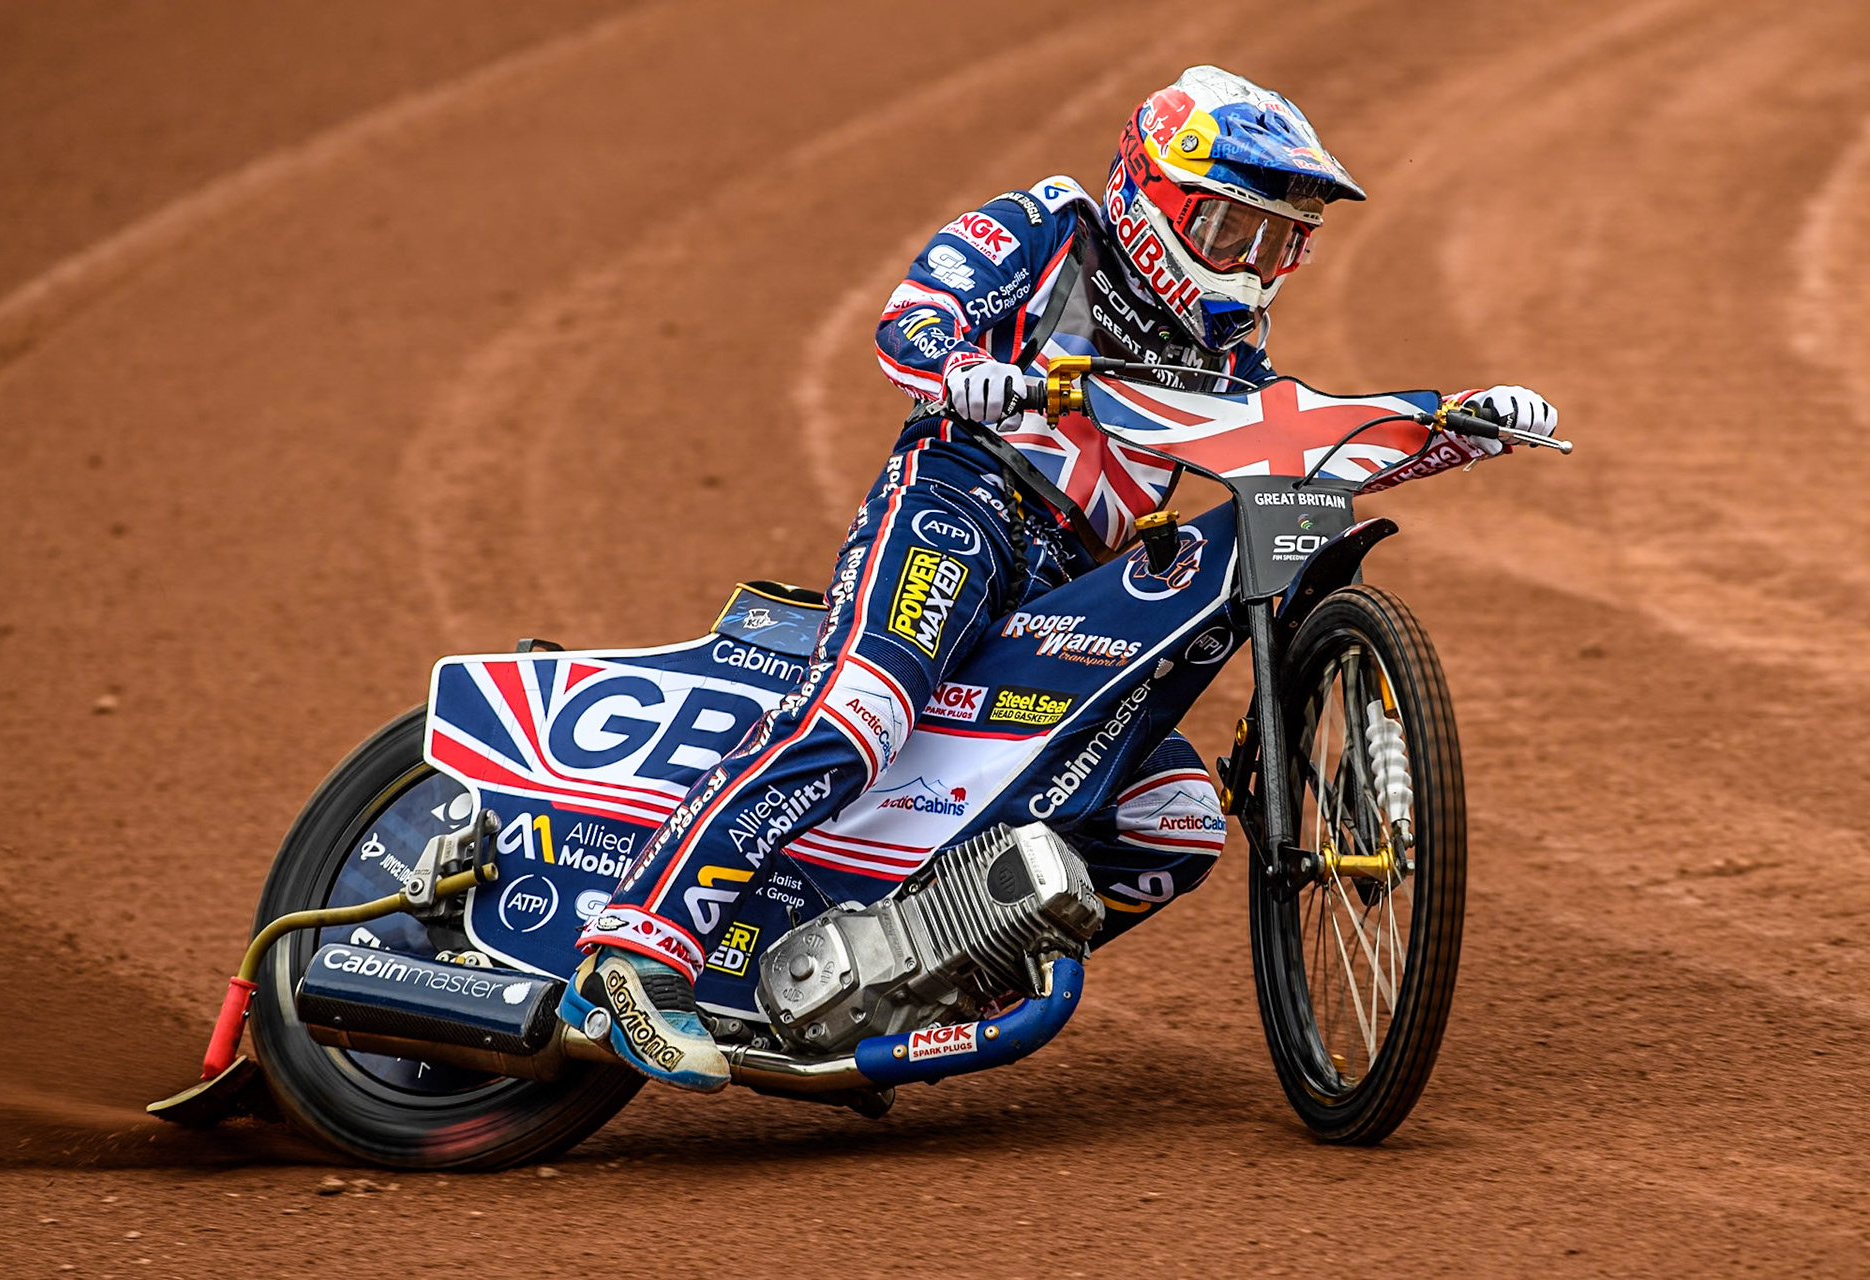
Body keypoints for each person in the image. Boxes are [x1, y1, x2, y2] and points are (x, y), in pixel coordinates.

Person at [562, 65, 1558, 1090]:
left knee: (1174, 816)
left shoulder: (1227, 353)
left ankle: (914, 977)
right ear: (1154, 196)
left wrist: (1449, 424)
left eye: (1274, 242)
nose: (1250, 266)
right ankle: (635, 952)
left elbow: (1295, 437)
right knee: (864, 707)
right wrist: (962, 367)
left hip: (1068, 582)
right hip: (959, 505)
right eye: (1230, 230)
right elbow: (911, 316)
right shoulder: (1047, 228)